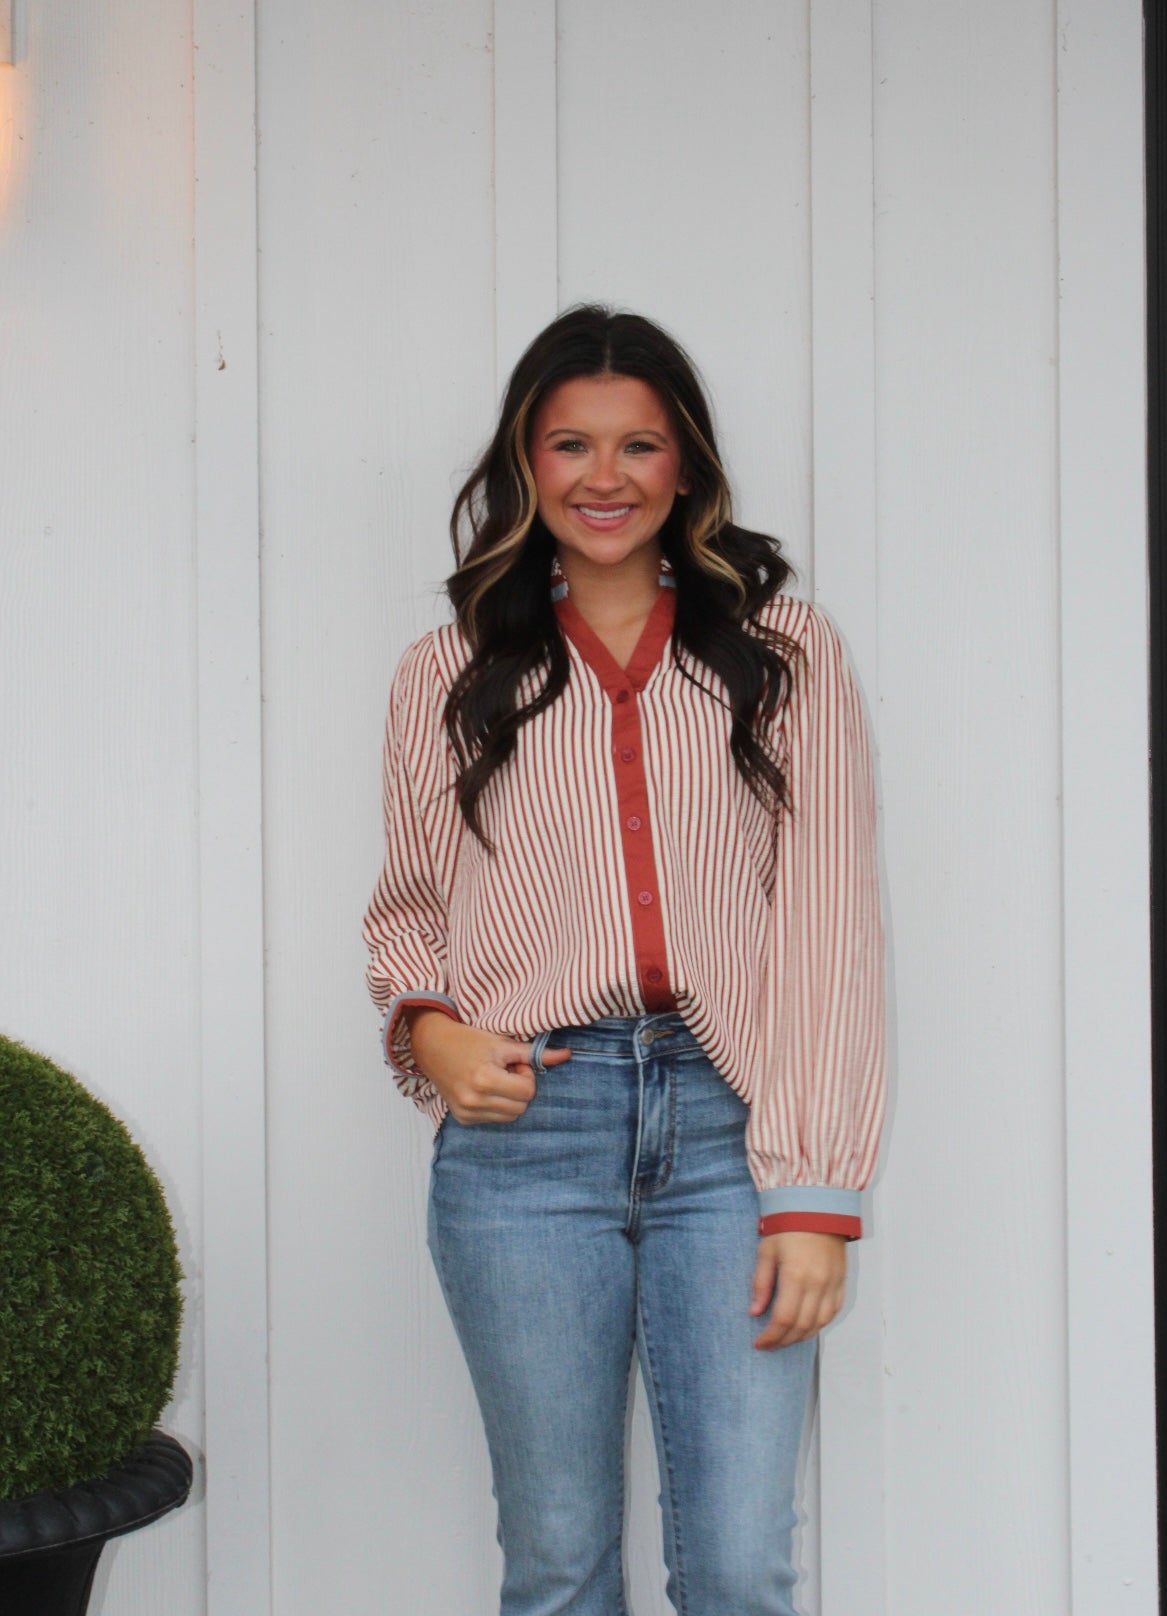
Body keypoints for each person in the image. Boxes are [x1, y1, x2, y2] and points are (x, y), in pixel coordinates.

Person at [362, 304, 887, 1616]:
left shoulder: (787, 656)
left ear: (686, 466)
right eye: (570, 444)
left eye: (639, 445)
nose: (605, 477)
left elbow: (827, 923)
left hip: (731, 1136)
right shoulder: (446, 673)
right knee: (557, 1564)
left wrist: (813, 1193)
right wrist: (428, 1029)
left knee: (741, 1566)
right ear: (525, 464)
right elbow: (410, 907)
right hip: (527, 1142)